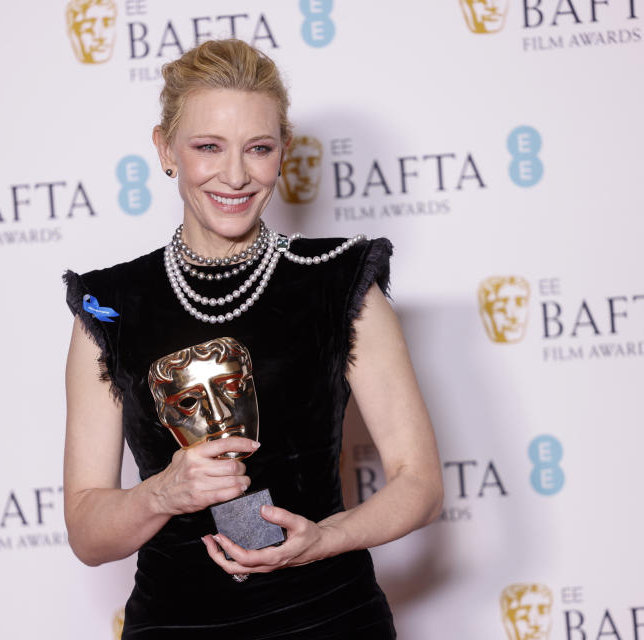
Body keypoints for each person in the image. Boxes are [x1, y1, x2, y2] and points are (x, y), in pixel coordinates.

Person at [63, 39, 442, 638]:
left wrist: (323, 540)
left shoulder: (340, 281)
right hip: (173, 624)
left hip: (329, 617)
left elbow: (419, 483)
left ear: (283, 152)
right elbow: (87, 530)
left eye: (258, 148)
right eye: (207, 147)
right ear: (165, 149)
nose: (235, 175)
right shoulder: (109, 307)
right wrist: (162, 493)